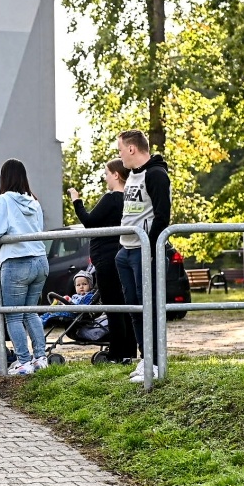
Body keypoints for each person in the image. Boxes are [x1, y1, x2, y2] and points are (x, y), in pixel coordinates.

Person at [0, 159, 48, 376]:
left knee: (14, 315)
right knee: (30, 312)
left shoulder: (2, 201)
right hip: (39, 260)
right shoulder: (34, 202)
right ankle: (40, 357)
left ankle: (23, 361)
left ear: (3, 178)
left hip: (17, 261)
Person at [115, 129, 173, 384]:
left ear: (131, 149)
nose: (119, 155)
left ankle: (157, 363)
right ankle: (145, 357)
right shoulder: (132, 176)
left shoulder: (157, 175)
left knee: (149, 307)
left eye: (120, 149)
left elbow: (163, 217)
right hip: (125, 250)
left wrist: (149, 248)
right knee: (135, 309)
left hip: (143, 250)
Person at [68, 160, 136, 364]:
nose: (105, 177)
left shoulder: (112, 198)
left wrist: (76, 200)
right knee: (124, 305)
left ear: (116, 175)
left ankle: (116, 353)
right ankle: (129, 351)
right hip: (122, 254)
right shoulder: (129, 200)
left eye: (107, 173)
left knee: (112, 306)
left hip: (106, 259)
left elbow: (89, 222)